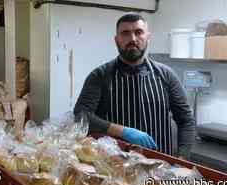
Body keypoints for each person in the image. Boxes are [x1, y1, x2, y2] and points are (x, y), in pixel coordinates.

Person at [74, 13, 195, 158]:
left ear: (148, 36)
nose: (132, 39)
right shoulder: (100, 76)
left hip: (160, 166)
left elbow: (186, 120)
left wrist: (182, 159)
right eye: (125, 33)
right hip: (115, 166)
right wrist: (123, 131)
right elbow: (82, 115)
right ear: (116, 40)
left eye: (138, 32)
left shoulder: (166, 75)